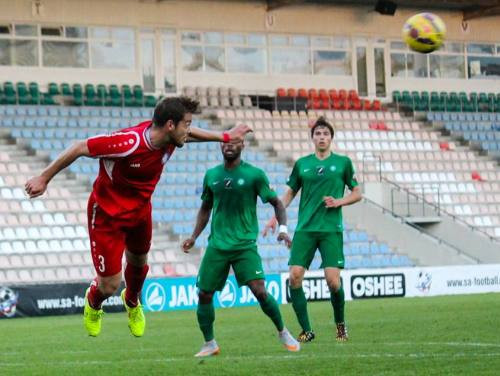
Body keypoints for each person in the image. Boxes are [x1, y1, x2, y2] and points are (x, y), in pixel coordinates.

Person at [25, 97, 251, 338]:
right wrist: (44, 178)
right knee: (109, 285)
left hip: (140, 211)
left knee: (139, 262)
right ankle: (93, 303)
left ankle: (132, 301)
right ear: (170, 125)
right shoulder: (129, 143)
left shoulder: (172, 138)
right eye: (186, 124)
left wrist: (225, 137)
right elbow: (80, 147)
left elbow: (192, 134)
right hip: (107, 216)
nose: (189, 130)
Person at [182, 137, 300, 357]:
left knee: (260, 291)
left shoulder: (254, 175)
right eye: (225, 142)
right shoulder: (212, 175)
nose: (229, 145)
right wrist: (193, 236)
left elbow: (277, 203)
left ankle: (283, 331)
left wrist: (283, 229)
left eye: (234, 142)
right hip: (217, 245)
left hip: (244, 244)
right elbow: (205, 209)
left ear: (243, 146)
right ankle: (210, 343)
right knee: (204, 294)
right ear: (220, 145)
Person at [263, 116, 361, 343]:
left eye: (326, 134)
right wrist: (273, 218)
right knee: (294, 276)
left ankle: (340, 326)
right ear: (312, 138)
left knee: (332, 281)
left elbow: (357, 193)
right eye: (318, 133)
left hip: (330, 229)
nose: (322, 137)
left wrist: (339, 202)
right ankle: (307, 330)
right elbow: (289, 193)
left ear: (331, 138)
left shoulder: (343, 163)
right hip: (305, 229)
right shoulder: (302, 164)